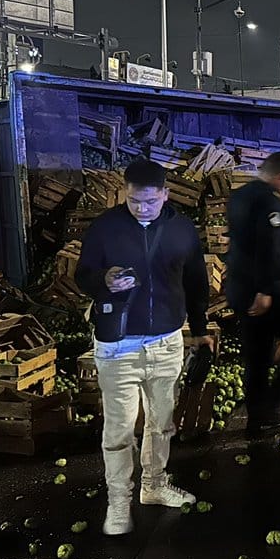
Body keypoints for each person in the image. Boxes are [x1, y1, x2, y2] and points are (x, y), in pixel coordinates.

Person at [75, 159, 215, 536]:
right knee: (119, 429)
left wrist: (199, 332)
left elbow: (197, 283)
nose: (142, 208)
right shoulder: (106, 228)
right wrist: (103, 280)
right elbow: (82, 276)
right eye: (135, 201)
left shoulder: (181, 229)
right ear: (125, 193)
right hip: (118, 344)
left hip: (167, 341)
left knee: (161, 423)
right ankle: (118, 503)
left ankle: (154, 486)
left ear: (165, 195)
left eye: (150, 202)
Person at [226, 151, 280, 436]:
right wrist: (264, 290)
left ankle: (257, 418)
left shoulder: (240, 196)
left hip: (240, 287)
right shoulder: (270, 204)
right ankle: (272, 403)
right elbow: (267, 247)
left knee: (257, 353)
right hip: (266, 288)